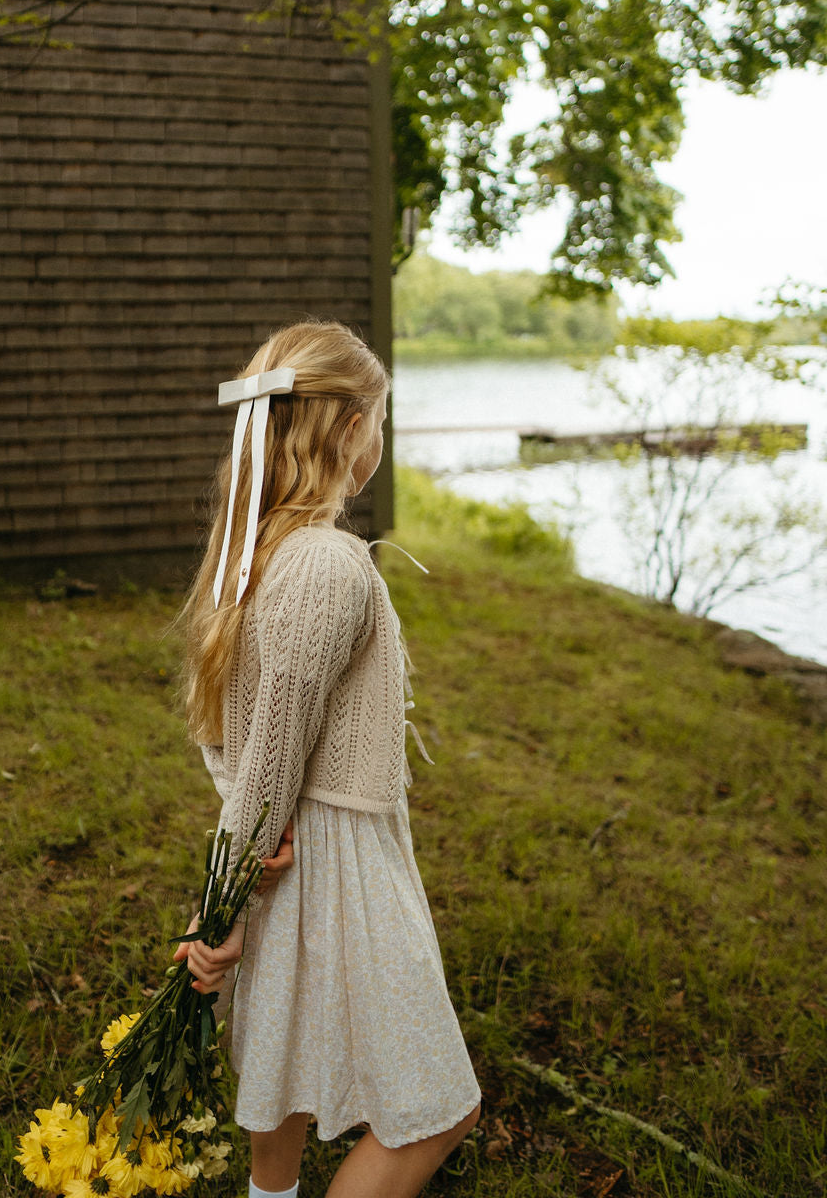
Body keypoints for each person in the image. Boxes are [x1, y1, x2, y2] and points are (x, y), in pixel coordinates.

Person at [173, 321, 481, 1198]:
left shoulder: (256, 551)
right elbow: (269, 763)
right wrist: (220, 908)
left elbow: (243, 752)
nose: (379, 438)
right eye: (378, 418)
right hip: (334, 859)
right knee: (438, 1108)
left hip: (289, 853)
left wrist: (235, 876)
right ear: (350, 428)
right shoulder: (324, 566)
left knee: (288, 1052)